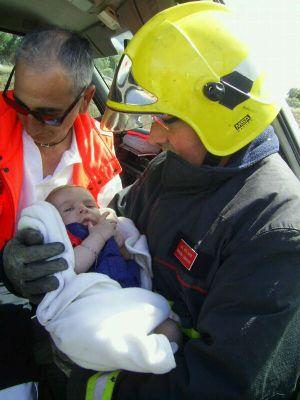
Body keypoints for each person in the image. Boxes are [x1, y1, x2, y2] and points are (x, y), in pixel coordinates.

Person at [85, 2, 300, 399]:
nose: (153, 136)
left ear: (221, 115)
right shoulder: (170, 170)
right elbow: (117, 218)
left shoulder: (277, 231)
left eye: (166, 119)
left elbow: (219, 386)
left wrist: (91, 386)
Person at [0, 28, 122, 399]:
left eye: (48, 115)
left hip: (73, 300)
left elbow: (109, 232)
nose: (30, 124)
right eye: (19, 105)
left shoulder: (102, 155)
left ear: (85, 100)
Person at [17, 184, 181, 376]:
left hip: (130, 296)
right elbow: (73, 266)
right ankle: (135, 354)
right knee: (92, 334)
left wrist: (121, 241)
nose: (82, 209)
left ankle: (159, 352)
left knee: (170, 325)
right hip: (96, 302)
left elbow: (132, 257)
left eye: (89, 204)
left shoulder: (109, 230)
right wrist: (99, 236)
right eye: (68, 209)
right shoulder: (70, 237)